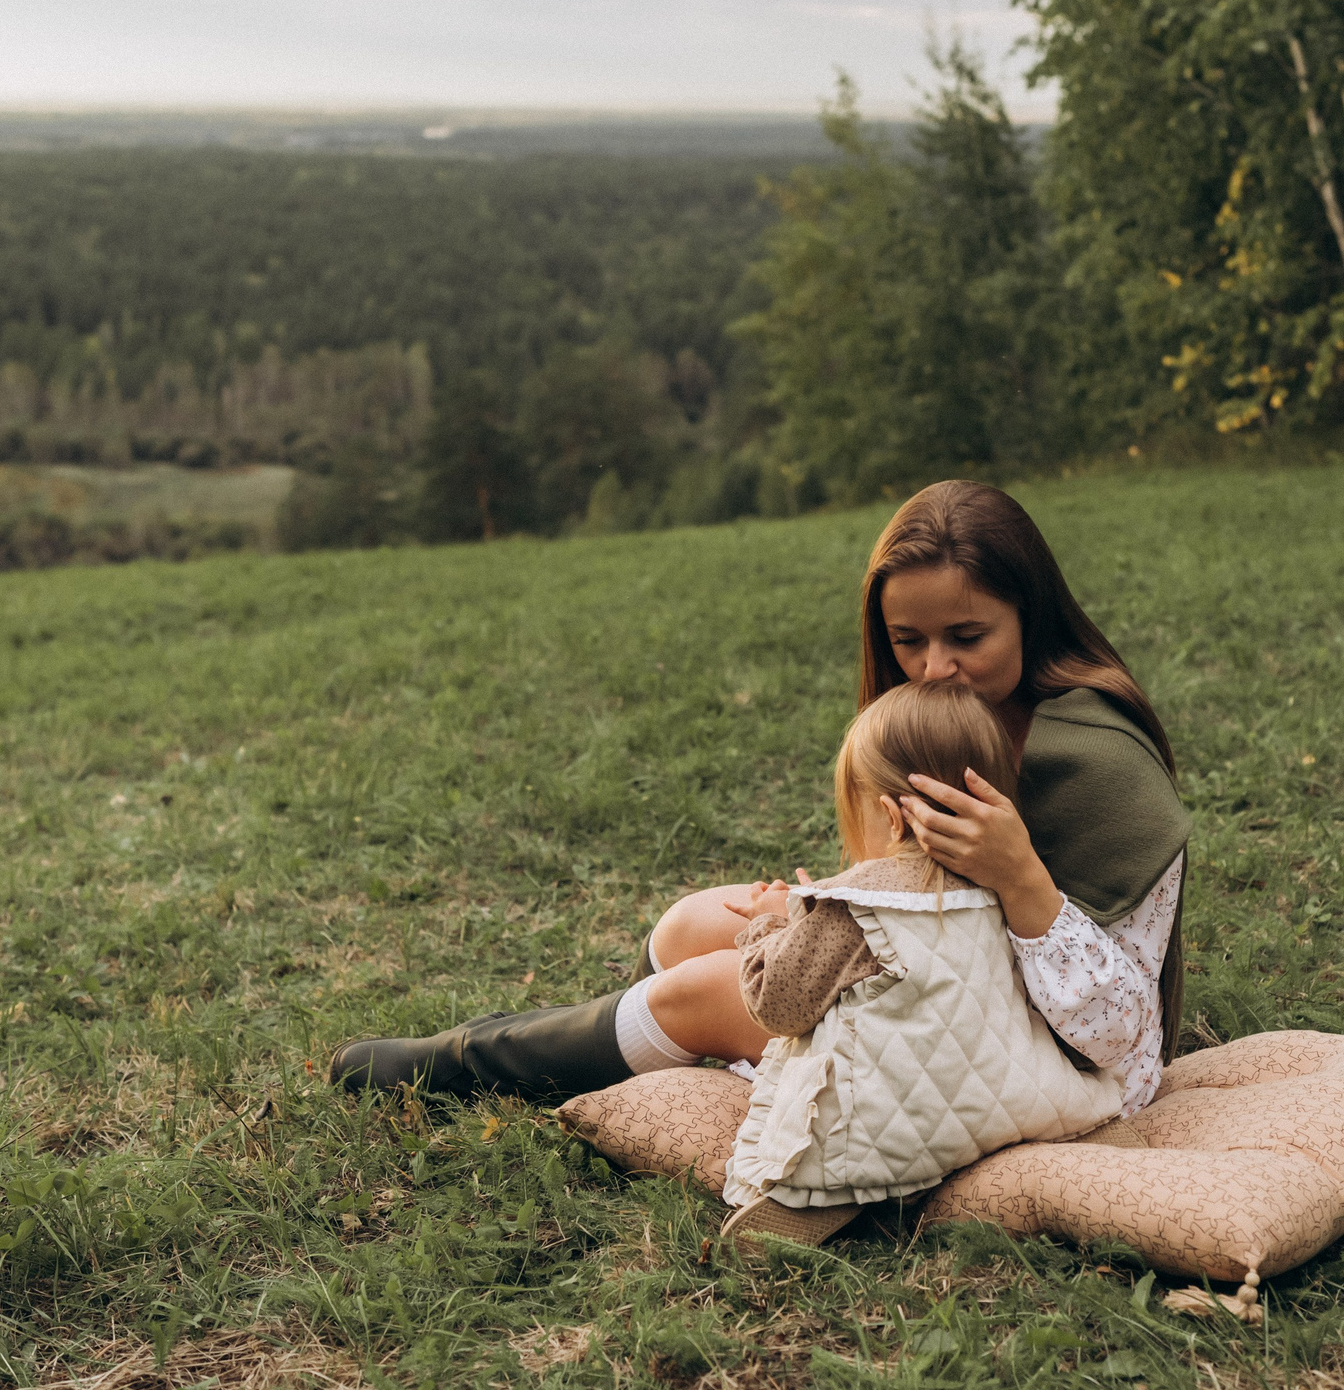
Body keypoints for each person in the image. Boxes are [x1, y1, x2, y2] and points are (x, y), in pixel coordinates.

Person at [327, 479, 1190, 1120]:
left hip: (1064, 1058)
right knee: (690, 925)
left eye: (967, 637)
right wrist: (835, 903)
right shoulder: (943, 714)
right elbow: (933, 897)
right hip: (952, 984)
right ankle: (571, 1044)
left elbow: (1123, 1029)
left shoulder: (1095, 761)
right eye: (907, 641)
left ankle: (460, 1066)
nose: (932, 667)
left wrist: (1022, 877)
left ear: (1029, 615)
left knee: (702, 993)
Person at [717, 678, 1127, 1245]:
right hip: (1007, 1101)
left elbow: (776, 1002)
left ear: (889, 817)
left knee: (841, 1137)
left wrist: (774, 923)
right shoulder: (1003, 884)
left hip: (886, 1127)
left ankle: (846, 1192)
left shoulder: (859, 909)